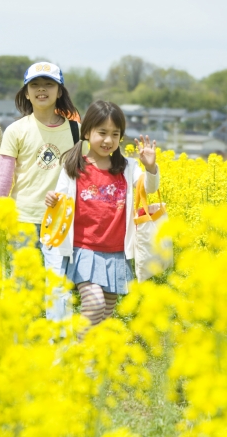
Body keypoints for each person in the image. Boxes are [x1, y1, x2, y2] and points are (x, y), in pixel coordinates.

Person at [45, 100, 159, 335]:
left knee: (104, 316)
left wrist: (150, 168)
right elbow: (60, 198)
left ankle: (91, 364)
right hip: (84, 250)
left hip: (116, 252)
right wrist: (52, 199)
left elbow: (147, 190)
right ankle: (77, 356)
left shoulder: (128, 167)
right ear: (87, 132)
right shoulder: (74, 166)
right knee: (94, 303)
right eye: (102, 133)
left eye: (115, 134)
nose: (108, 140)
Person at [0, 61, 79, 320]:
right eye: (35, 85)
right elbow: (4, 181)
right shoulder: (16, 130)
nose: (42, 90)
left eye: (49, 84)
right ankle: (20, 339)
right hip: (22, 217)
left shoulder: (75, 130)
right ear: (26, 93)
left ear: (60, 91)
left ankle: (58, 341)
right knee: (21, 284)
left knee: (58, 285)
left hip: (60, 220)